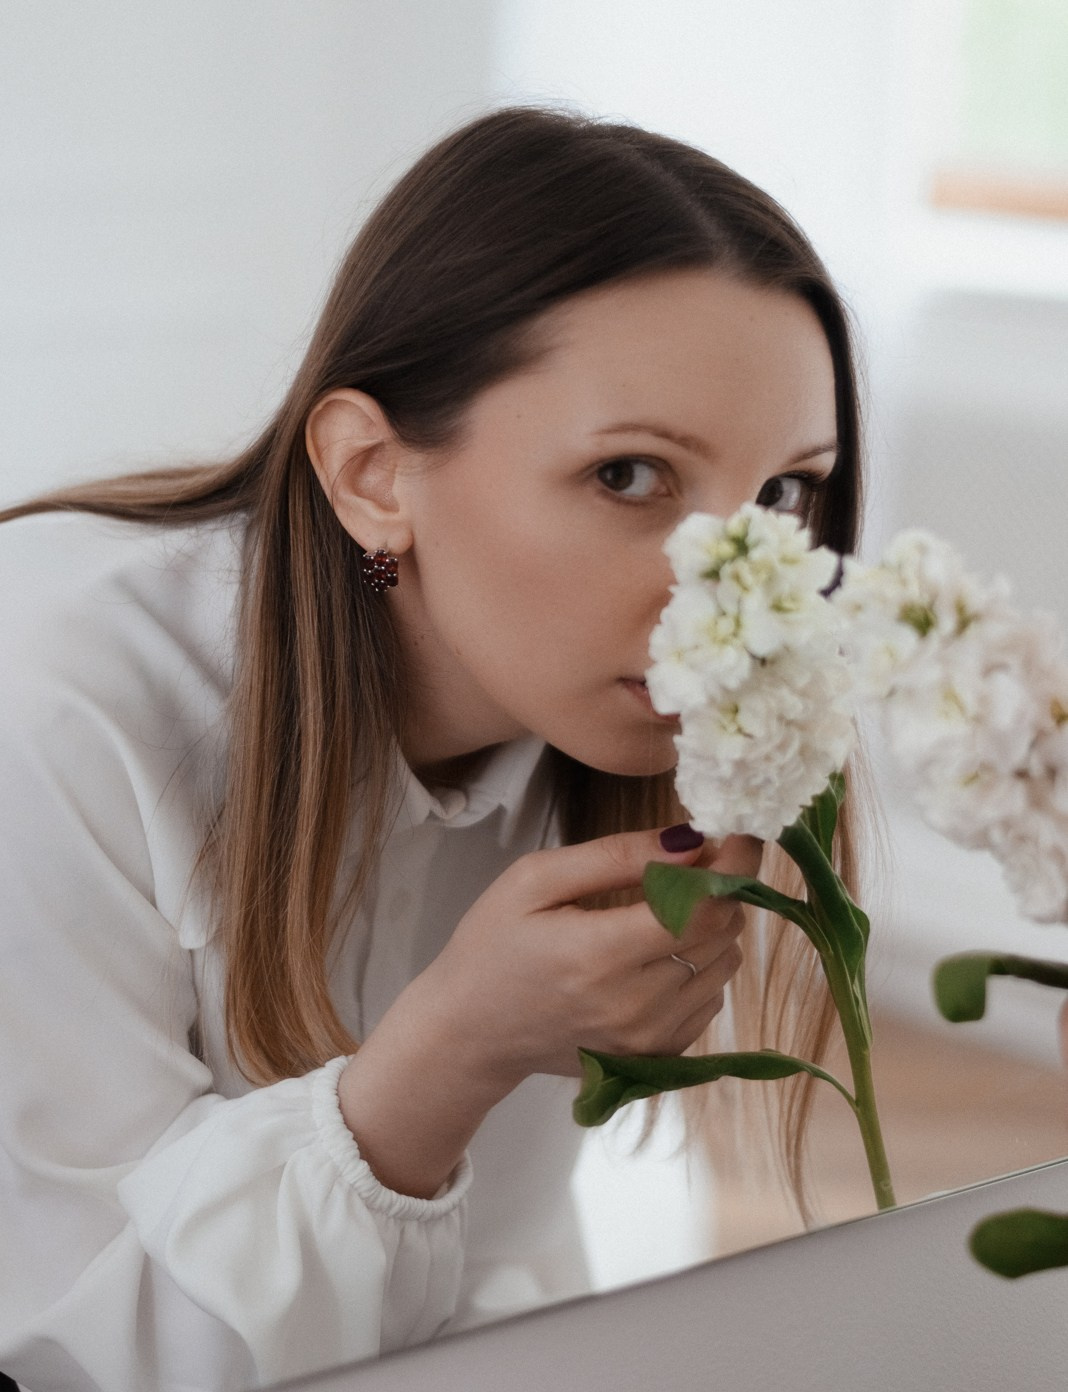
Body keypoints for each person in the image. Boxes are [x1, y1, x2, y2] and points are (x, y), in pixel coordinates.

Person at [0, 106, 864, 1391]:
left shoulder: (586, 743)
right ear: (370, 472)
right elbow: (65, 1357)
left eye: (785, 494)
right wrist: (448, 1055)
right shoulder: (58, 702)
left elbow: (485, 1293)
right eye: (630, 476)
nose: (736, 598)